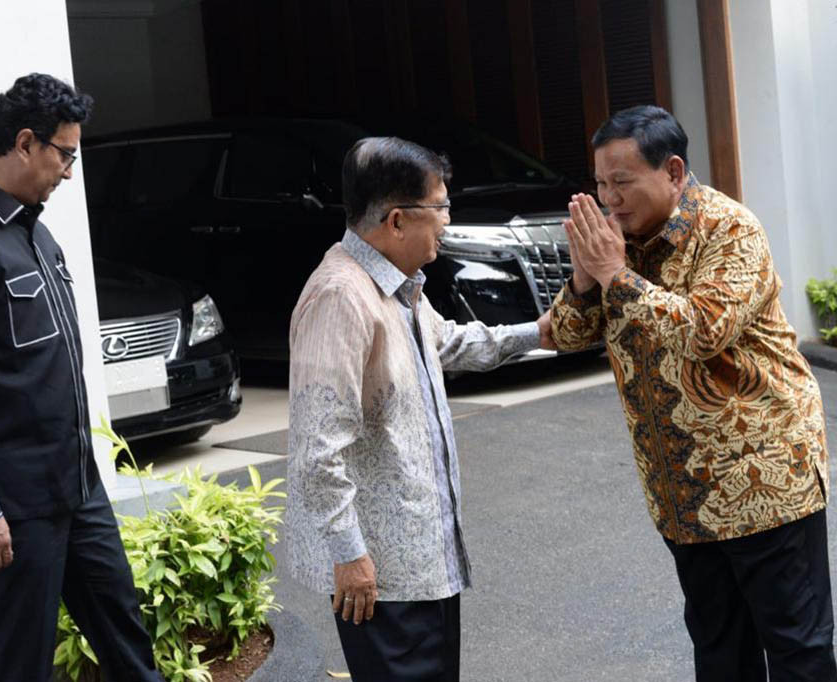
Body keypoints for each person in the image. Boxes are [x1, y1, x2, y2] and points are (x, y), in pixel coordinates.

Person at [549, 104, 835, 681]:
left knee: (797, 650)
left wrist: (616, 276)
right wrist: (584, 278)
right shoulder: (616, 243)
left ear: (674, 171)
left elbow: (704, 331)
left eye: (622, 183)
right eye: (601, 184)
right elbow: (568, 334)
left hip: (763, 480)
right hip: (683, 495)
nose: (610, 199)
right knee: (719, 652)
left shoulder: (729, 229)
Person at [0, 74, 163, 682]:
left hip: (79, 491)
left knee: (128, 639)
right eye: (65, 154)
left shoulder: (38, 236)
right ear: (25, 143)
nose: (70, 172)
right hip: (15, 511)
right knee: (19, 662)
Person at [287, 136, 555, 681]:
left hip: (423, 563)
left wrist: (540, 333)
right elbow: (316, 450)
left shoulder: (396, 285)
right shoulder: (342, 295)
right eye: (441, 208)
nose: (448, 221)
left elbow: (449, 343)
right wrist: (350, 555)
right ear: (397, 220)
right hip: (380, 578)